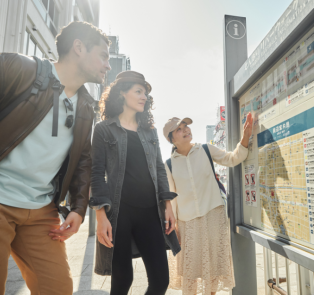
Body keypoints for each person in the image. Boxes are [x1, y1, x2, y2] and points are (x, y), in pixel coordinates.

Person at [0, 21, 111, 295]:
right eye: (104, 56)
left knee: (58, 288)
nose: (108, 65)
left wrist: (78, 208)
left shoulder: (86, 105)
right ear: (79, 47)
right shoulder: (19, 68)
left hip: (40, 212)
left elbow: (84, 161)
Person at [90, 71, 181, 295]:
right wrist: (101, 216)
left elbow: (159, 168)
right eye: (138, 91)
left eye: (146, 93)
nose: (144, 97)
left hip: (150, 211)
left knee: (160, 281)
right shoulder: (103, 130)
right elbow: (96, 173)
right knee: (123, 281)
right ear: (122, 93)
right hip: (119, 213)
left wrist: (167, 205)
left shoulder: (149, 132)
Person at [163, 113, 253, 295]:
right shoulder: (168, 164)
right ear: (171, 139)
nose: (185, 130)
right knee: (191, 271)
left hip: (213, 215)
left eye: (185, 126)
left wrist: (245, 138)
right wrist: (175, 228)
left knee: (212, 267)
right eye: (179, 129)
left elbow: (231, 159)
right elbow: (171, 198)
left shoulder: (206, 150)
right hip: (187, 223)